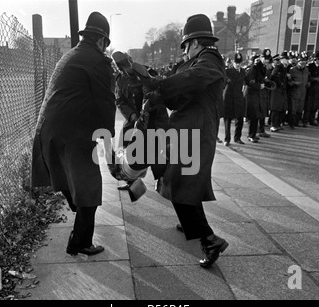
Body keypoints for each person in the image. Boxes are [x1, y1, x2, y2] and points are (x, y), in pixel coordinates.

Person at [137, 14, 229, 268]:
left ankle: (209, 239)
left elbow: (192, 80)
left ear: (196, 42)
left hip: (194, 134)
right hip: (187, 132)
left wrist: (160, 84)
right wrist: (158, 94)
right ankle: (191, 223)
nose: (185, 51)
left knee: (178, 183)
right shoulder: (198, 62)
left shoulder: (209, 60)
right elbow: (179, 97)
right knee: (181, 183)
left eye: (186, 46)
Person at [31, 12, 116, 257]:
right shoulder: (97, 60)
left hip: (48, 131)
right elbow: (105, 103)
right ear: (101, 40)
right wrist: (108, 145)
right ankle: (79, 242)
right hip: (73, 134)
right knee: (89, 189)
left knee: (73, 185)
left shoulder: (71, 55)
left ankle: (79, 225)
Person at [112, 51, 145, 191]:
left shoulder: (143, 73)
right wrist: (131, 115)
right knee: (125, 148)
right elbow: (119, 100)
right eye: (123, 67)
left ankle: (162, 179)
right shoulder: (120, 79)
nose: (127, 69)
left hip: (148, 118)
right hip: (132, 120)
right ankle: (132, 181)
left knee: (155, 151)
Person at [223, 52, 246, 146]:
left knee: (240, 118)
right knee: (227, 119)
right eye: (236, 63)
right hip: (229, 97)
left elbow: (248, 81)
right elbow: (223, 79)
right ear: (233, 62)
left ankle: (237, 138)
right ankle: (227, 139)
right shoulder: (228, 71)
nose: (238, 65)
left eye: (239, 63)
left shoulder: (243, 72)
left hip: (239, 97)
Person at [244, 53, 266, 142]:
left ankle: (253, 134)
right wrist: (259, 86)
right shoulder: (254, 68)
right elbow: (249, 81)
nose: (266, 60)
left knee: (256, 115)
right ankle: (251, 135)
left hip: (257, 94)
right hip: (252, 94)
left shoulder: (261, 68)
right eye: (264, 58)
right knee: (253, 115)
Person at [288, 51, 310, 128]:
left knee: (300, 108)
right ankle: (291, 123)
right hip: (295, 92)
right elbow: (288, 81)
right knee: (293, 108)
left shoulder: (306, 70)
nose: (303, 64)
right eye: (301, 62)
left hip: (303, 92)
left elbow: (308, 78)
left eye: (304, 62)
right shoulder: (292, 70)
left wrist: (308, 83)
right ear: (298, 61)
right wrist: (294, 83)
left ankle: (297, 122)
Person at [304, 50, 319, 126]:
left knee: (315, 105)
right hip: (311, 88)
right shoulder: (310, 66)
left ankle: (312, 119)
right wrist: (315, 79)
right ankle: (305, 120)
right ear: (316, 59)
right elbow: (307, 77)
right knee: (308, 105)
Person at [269, 51, 289, 133]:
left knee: (280, 108)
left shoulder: (284, 68)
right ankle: (273, 125)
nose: (287, 61)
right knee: (275, 109)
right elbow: (273, 76)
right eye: (285, 59)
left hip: (282, 90)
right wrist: (279, 82)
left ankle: (278, 124)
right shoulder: (278, 66)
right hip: (277, 90)